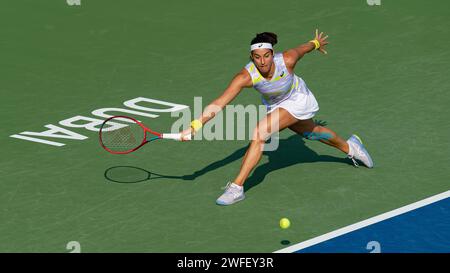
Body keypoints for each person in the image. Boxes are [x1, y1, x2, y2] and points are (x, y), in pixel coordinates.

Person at [180, 29, 374, 205]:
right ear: (251, 57)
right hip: (276, 104)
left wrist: (315, 43)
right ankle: (351, 147)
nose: (263, 62)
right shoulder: (245, 77)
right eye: (257, 57)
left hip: (297, 98)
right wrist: (195, 125)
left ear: (273, 54)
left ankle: (237, 187)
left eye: (266, 56)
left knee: (259, 133)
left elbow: (302, 49)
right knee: (312, 133)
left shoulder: (287, 59)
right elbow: (219, 102)